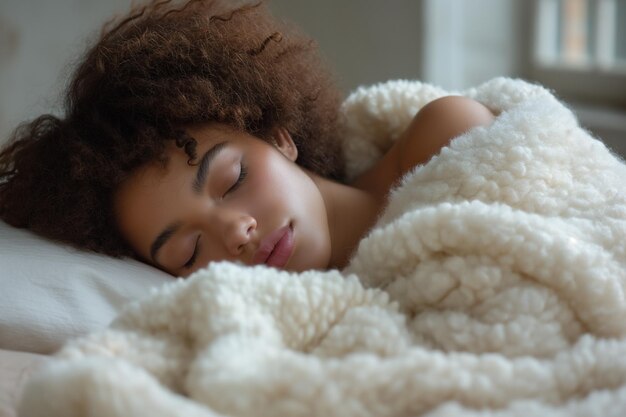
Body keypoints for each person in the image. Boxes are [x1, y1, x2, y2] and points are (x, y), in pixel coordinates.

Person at [0, 0, 494, 277]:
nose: (236, 234)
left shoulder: (445, 137)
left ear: (279, 136)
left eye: (232, 178)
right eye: (189, 252)